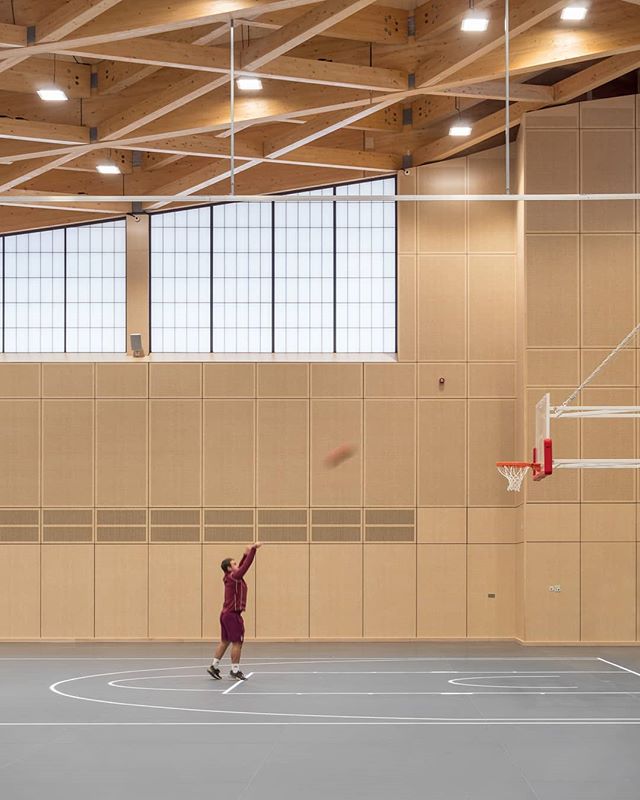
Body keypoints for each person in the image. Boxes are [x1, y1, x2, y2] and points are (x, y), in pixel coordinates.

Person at [207, 542, 262, 681]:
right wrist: (253, 551)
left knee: (225, 641)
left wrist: (245, 553)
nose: (237, 565)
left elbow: (241, 567)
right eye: (234, 564)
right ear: (229, 568)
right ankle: (235, 670)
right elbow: (245, 567)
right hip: (232, 615)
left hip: (225, 614)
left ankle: (214, 666)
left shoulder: (230, 576)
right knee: (237, 642)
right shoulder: (234, 577)